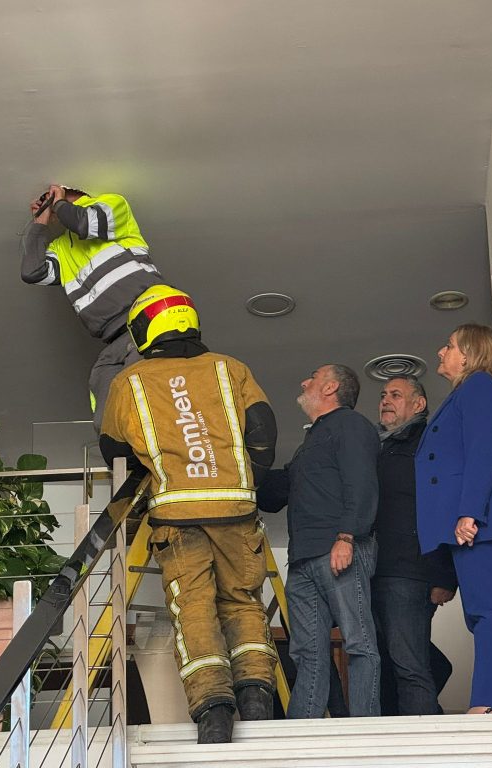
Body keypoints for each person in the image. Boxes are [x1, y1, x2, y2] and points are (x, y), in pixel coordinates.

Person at [99, 285, 278, 744]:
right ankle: (257, 702)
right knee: (243, 602)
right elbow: (263, 431)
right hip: (236, 511)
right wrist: (243, 481)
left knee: (193, 608)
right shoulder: (230, 368)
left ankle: (214, 715)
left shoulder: (129, 382)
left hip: (176, 516)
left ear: (145, 328)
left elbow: (114, 452)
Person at [258, 365, 381, 718]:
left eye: (312, 377)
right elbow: (278, 491)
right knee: (306, 651)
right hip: (304, 560)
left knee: (358, 642)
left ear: (331, 388)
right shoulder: (313, 440)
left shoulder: (351, 425)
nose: (304, 381)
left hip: (337, 549)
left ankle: (365, 728)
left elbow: (362, 482)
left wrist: (346, 536)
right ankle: (302, 731)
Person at [415, 324, 492, 714]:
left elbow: (483, 450)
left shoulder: (479, 386)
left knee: (487, 611)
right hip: (477, 521)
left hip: (481, 522)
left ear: (469, 354)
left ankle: (491, 703)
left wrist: (470, 512)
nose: (440, 352)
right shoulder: (473, 390)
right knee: (482, 611)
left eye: (448, 346)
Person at [21, 184, 165, 430]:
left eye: (52, 196)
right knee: (106, 413)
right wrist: (40, 223)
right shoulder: (60, 247)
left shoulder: (112, 203)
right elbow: (32, 272)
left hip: (150, 317)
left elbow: (85, 223)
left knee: (143, 400)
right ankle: (116, 447)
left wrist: (59, 200)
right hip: (114, 337)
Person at [374, 375, 458, 716]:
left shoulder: (429, 444)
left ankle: (423, 737)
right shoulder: (379, 447)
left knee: (409, 666)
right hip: (375, 569)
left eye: (396, 395)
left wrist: (445, 575)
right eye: (383, 395)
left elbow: (444, 507)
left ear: (419, 404)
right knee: (386, 663)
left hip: (410, 571)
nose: (385, 400)